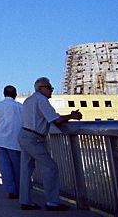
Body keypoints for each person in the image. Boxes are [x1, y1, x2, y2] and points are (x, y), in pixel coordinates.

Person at [18, 77, 82, 211]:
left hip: (24, 135)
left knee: (26, 169)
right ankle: (52, 203)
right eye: (49, 88)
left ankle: (25, 201)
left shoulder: (29, 100)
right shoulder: (41, 100)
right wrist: (72, 116)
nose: (51, 90)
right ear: (41, 88)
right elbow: (56, 120)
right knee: (51, 167)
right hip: (33, 138)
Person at [0, 85, 23, 199]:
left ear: (4, 94)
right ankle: (20, 189)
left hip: (0, 140)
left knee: (5, 167)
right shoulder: (20, 107)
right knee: (18, 167)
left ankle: (10, 190)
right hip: (15, 140)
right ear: (15, 94)